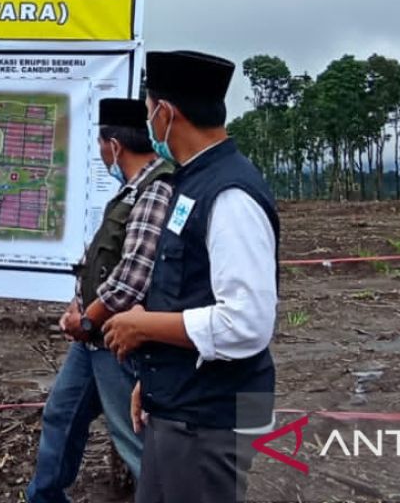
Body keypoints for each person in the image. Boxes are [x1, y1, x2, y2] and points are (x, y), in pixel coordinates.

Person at [103, 50, 280, 503]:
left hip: (213, 415)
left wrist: (142, 326)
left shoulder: (230, 195)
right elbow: (187, 290)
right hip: (180, 402)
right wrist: (156, 377)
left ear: (165, 112)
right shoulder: (192, 182)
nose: (147, 125)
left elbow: (247, 324)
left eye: (147, 113)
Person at [24, 98, 174, 502]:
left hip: (116, 338)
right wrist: (78, 307)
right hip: (92, 340)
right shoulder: (128, 191)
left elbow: (132, 277)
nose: (99, 151)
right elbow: (102, 262)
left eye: (98, 142)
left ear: (113, 146)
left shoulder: (155, 189)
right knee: (61, 415)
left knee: (134, 439)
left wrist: (87, 320)